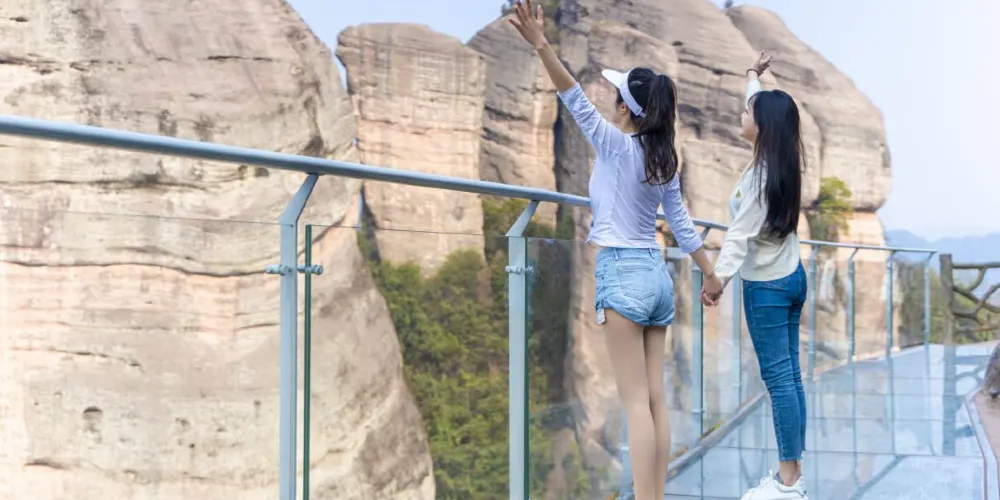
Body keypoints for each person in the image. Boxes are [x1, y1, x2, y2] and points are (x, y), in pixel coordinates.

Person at [507, 2, 723, 499]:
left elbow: (572, 96)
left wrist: (541, 44)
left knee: (634, 404)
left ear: (626, 109)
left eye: (616, 97)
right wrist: (709, 274)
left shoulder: (615, 144)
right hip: (656, 276)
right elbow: (681, 223)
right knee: (655, 400)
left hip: (622, 275)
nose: (609, 103)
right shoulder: (664, 159)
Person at [701, 50, 809, 500]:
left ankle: (789, 484)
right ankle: (793, 475)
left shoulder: (760, 178)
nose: (742, 114)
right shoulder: (781, 161)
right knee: (791, 378)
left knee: (779, 380)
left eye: (748, 112)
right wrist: (752, 76)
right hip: (792, 275)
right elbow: (762, 108)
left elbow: (738, 237)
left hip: (767, 286)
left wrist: (716, 281)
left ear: (762, 126)